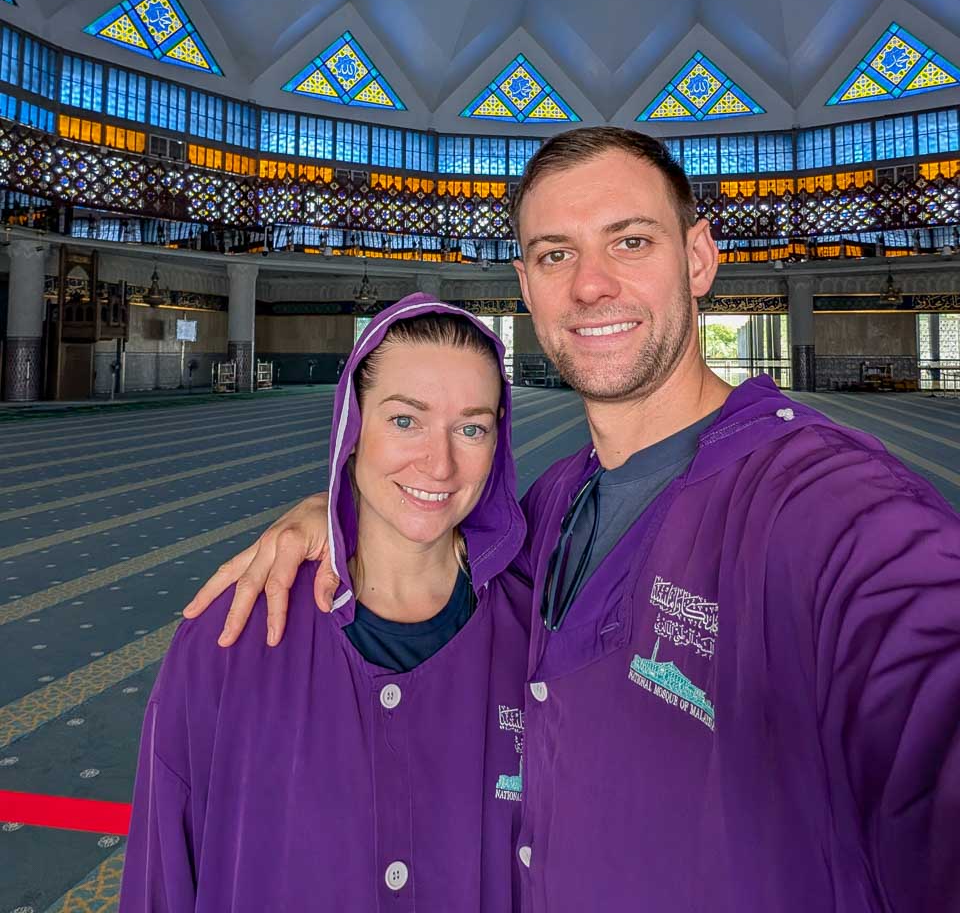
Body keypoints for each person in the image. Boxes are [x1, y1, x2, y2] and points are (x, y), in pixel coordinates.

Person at [185, 128, 960, 912]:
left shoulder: (830, 507)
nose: (591, 285)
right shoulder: (550, 509)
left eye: (629, 241)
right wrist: (338, 504)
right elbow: (447, 551)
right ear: (526, 284)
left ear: (698, 258)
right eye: (556, 254)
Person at [121, 296, 530, 911]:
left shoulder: (535, 636)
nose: (440, 462)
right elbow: (162, 875)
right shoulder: (230, 637)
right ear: (353, 427)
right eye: (404, 421)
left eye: (471, 428)